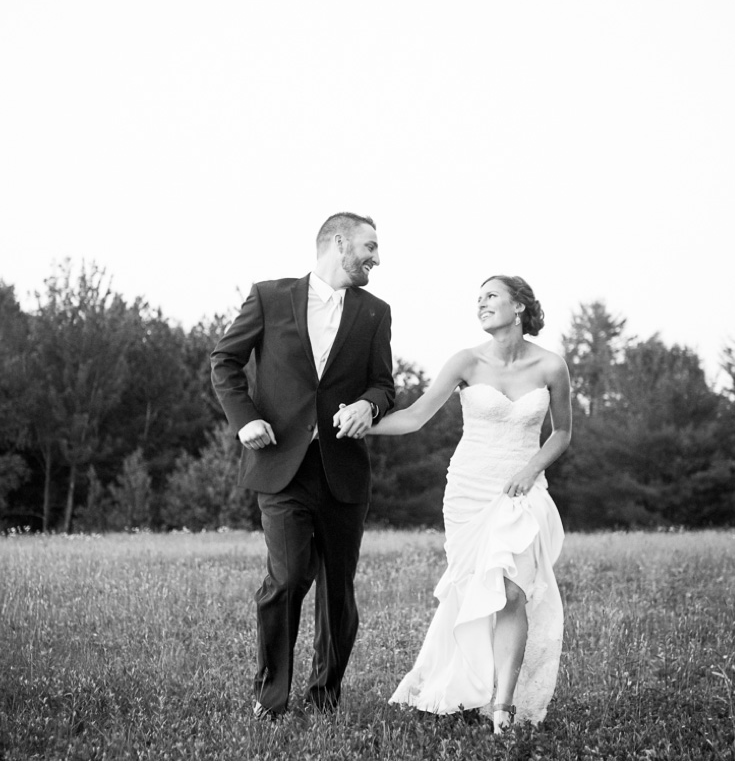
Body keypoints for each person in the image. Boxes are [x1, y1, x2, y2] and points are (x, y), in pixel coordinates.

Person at [210, 212, 396, 721]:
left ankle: (324, 699)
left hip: (343, 470)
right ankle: (271, 698)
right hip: (281, 465)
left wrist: (369, 406)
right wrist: (243, 419)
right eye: (370, 247)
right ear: (338, 243)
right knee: (289, 577)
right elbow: (224, 361)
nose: (377, 258)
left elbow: (384, 383)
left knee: (338, 593)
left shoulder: (375, 312)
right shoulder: (270, 296)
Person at [366, 274, 572, 735]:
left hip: (522, 488)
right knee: (475, 591)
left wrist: (531, 468)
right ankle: (463, 682)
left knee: (513, 592)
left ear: (519, 306)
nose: (481, 304)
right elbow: (416, 416)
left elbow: (562, 433)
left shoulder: (551, 366)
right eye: (477, 299)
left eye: (491, 297)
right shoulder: (465, 361)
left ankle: (503, 706)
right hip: (469, 489)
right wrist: (363, 426)